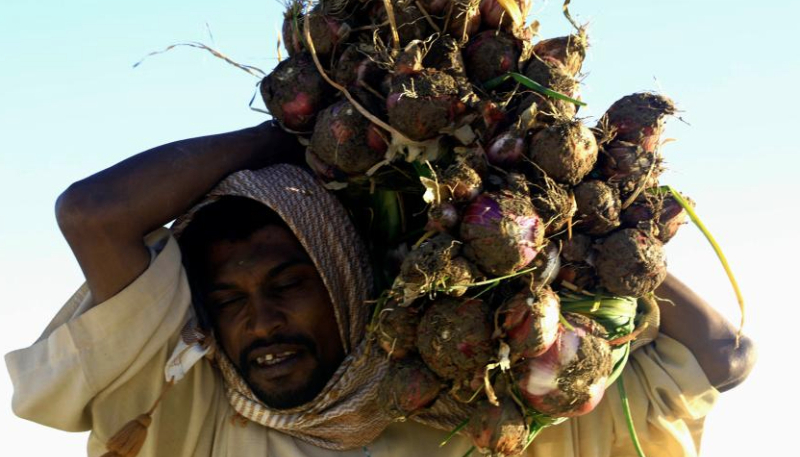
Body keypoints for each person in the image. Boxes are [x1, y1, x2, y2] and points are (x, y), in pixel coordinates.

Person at [5, 121, 756, 457]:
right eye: (227, 302)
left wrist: (576, 228)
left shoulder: (479, 414)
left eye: (287, 284)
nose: (258, 323)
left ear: (345, 280)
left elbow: (724, 356)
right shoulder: (178, 404)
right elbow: (93, 216)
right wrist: (298, 134)